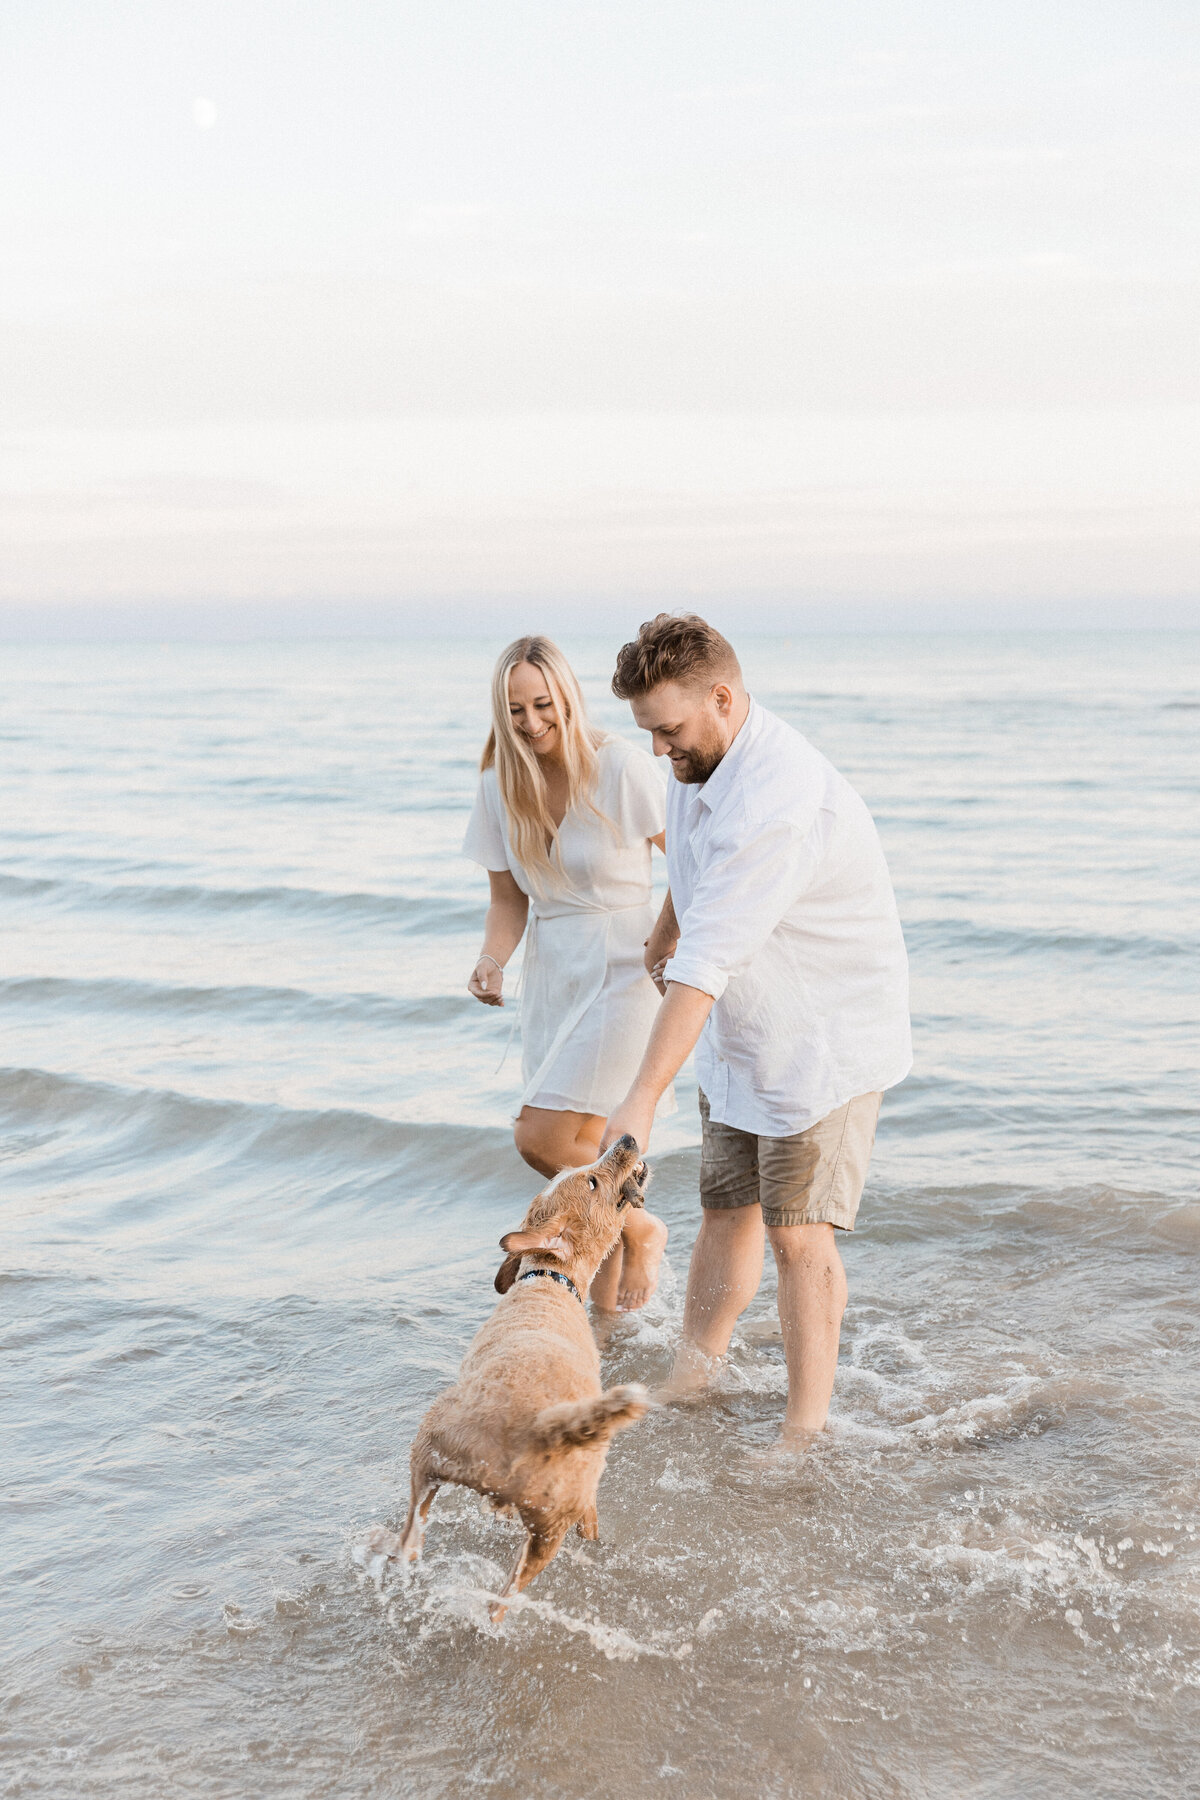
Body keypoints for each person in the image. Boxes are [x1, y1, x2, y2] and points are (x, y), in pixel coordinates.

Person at [601, 613, 912, 1436]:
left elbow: (706, 967)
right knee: (725, 1206)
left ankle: (803, 1432)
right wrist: (666, 922)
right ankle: (692, 1381)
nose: (660, 751)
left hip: (820, 1037)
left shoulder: (780, 800)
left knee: (797, 1236)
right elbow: (692, 867)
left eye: (668, 730)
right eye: (649, 735)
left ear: (724, 699)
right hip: (748, 1028)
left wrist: (639, 1098)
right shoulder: (694, 758)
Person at [463, 635, 671, 1312]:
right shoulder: (500, 784)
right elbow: (507, 898)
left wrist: (673, 940)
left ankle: (642, 1230)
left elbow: (691, 861)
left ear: (567, 698)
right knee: (601, 1147)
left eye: (542, 705)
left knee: (543, 1136)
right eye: (515, 710)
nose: (530, 723)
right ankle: (604, 1336)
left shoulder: (618, 766)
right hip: (553, 974)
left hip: (624, 963)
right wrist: (492, 959)